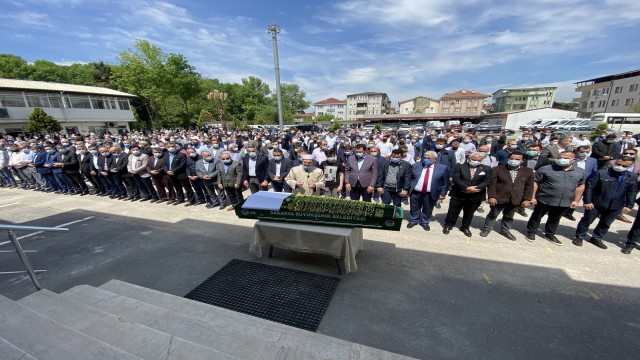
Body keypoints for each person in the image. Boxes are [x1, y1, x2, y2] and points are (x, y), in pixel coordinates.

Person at [573, 156, 638, 249]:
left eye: (624, 165)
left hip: (616, 205)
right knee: (587, 220)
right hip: (596, 203)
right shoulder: (601, 173)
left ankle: (596, 238)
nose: (620, 166)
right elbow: (590, 187)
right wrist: (587, 201)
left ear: (630, 166)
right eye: (618, 164)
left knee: (606, 223)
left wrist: (629, 205)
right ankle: (579, 236)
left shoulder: (632, 177)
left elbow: (632, 191)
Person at [526, 151, 586, 246]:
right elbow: (535, 183)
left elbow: (580, 186)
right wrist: (532, 197)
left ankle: (549, 234)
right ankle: (531, 232)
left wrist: (576, 200)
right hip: (544, 199)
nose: (561, 160)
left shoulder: (580, 172)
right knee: (537, 216)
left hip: (564, 201)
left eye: (565, 158)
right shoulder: (545, 169)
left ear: (573, 160)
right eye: (560, 157)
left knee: (555, 219)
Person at [480, 152, 534, 240]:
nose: (514, 161)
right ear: (508, 159)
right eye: (512, 158)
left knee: (509, 216)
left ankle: (505, 230)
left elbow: (529, 187)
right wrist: (491, 196)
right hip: (499, 197)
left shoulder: (528, 171)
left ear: (522, 160)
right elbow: (492, 184)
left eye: (517, 159)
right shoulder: (497, 169)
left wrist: (527, 199)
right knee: (493, 214)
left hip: (516, 198)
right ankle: (487, 229)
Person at [442, 152, 492, 237]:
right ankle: (448, 225)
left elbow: (487, 181)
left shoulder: (486, 168)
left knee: (469, 213)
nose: (476, 161)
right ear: (469, 158)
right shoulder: (460, 166)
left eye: (478, 160)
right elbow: (456, 178)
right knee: (453, 211)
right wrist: (466, 188)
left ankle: (465, 227)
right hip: (458, 194)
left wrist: (475, 189)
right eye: (474, 159)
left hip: (475, 195)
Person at [406, 151, 450, 231]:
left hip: (430, 193)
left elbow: (445, 183)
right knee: (414, 207)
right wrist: (408, 189)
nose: (426, 159)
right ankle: (414, 220)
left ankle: (424, 222)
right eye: (425, 158)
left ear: (435, 159)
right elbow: (410, 178)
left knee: (428, 208)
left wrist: (443, 193)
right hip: (416, 192)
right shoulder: (416, 166)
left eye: (429, 158)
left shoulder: (442, 168)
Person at [562, 145, 598, 221]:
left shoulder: (593, 160)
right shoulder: (572, 160)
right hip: (572, 181)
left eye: (587, 152)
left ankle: (569, 212)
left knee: (578, 198)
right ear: (577, 152)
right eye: (582, 152)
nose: (584, 153)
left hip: (586, 182)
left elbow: (595, 171)